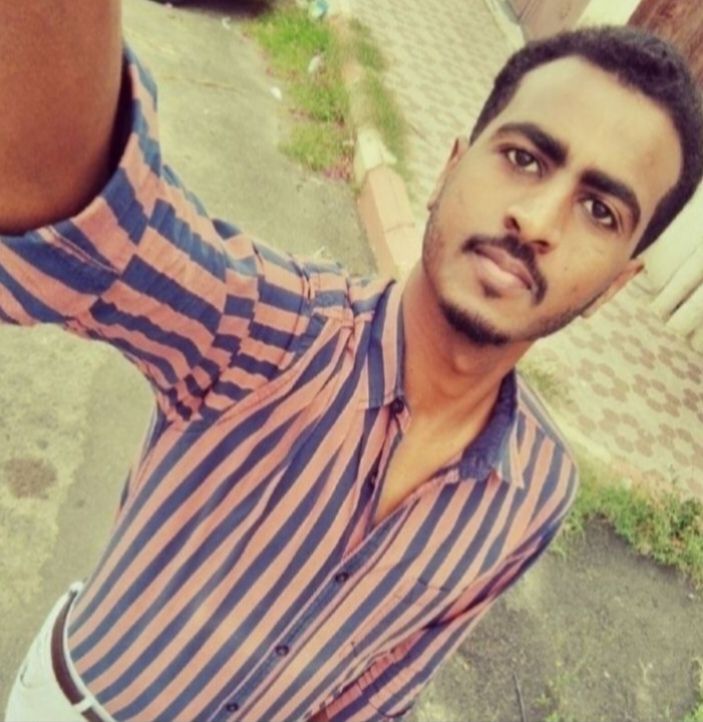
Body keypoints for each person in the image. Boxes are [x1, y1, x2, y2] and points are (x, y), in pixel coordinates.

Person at [2, 1, 702, 720]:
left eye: (600, 211)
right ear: (449, 171)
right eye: (524, 158)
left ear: (614, 286)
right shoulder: (268, 326)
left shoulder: (538, 490)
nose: (538, 219)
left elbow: (386, 684)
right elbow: (86, 232)